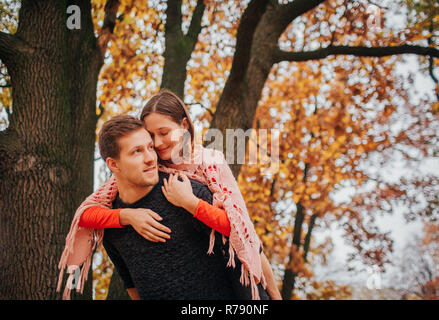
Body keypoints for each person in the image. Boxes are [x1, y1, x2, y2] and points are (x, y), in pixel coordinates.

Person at [57, 90, 281, 300]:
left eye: (163, 133)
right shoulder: (151, 170)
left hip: (240, 253)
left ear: (184, 125)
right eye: (151, 137)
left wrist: (190, 203)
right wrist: (128, 216)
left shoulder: (209, 163)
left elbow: (241, 230)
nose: (157, 144)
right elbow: (86, 214)